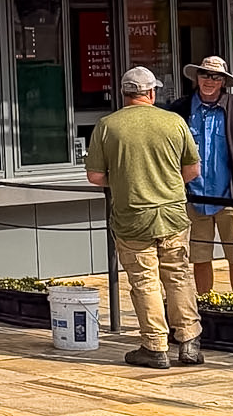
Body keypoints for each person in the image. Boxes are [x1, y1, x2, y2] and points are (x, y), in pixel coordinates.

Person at [85, 65, 202, 369]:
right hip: (173, 213)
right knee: (178, 275)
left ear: (124, 94)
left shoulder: (107, 126)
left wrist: (124, 179)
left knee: (144, 281)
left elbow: (95, 176)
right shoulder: (174, 122)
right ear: (151, 93)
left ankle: (154, 346)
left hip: (132, 216)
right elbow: (192, 171)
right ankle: (189, 342)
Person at [167, 55, 233, 298]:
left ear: (224, 81)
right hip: (194, 198)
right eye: (204, 75)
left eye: (216, 77)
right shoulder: (179, 109)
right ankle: (206, 307)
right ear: (196, 78)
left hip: (232, 198)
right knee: (199, 258)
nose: (209, 81)